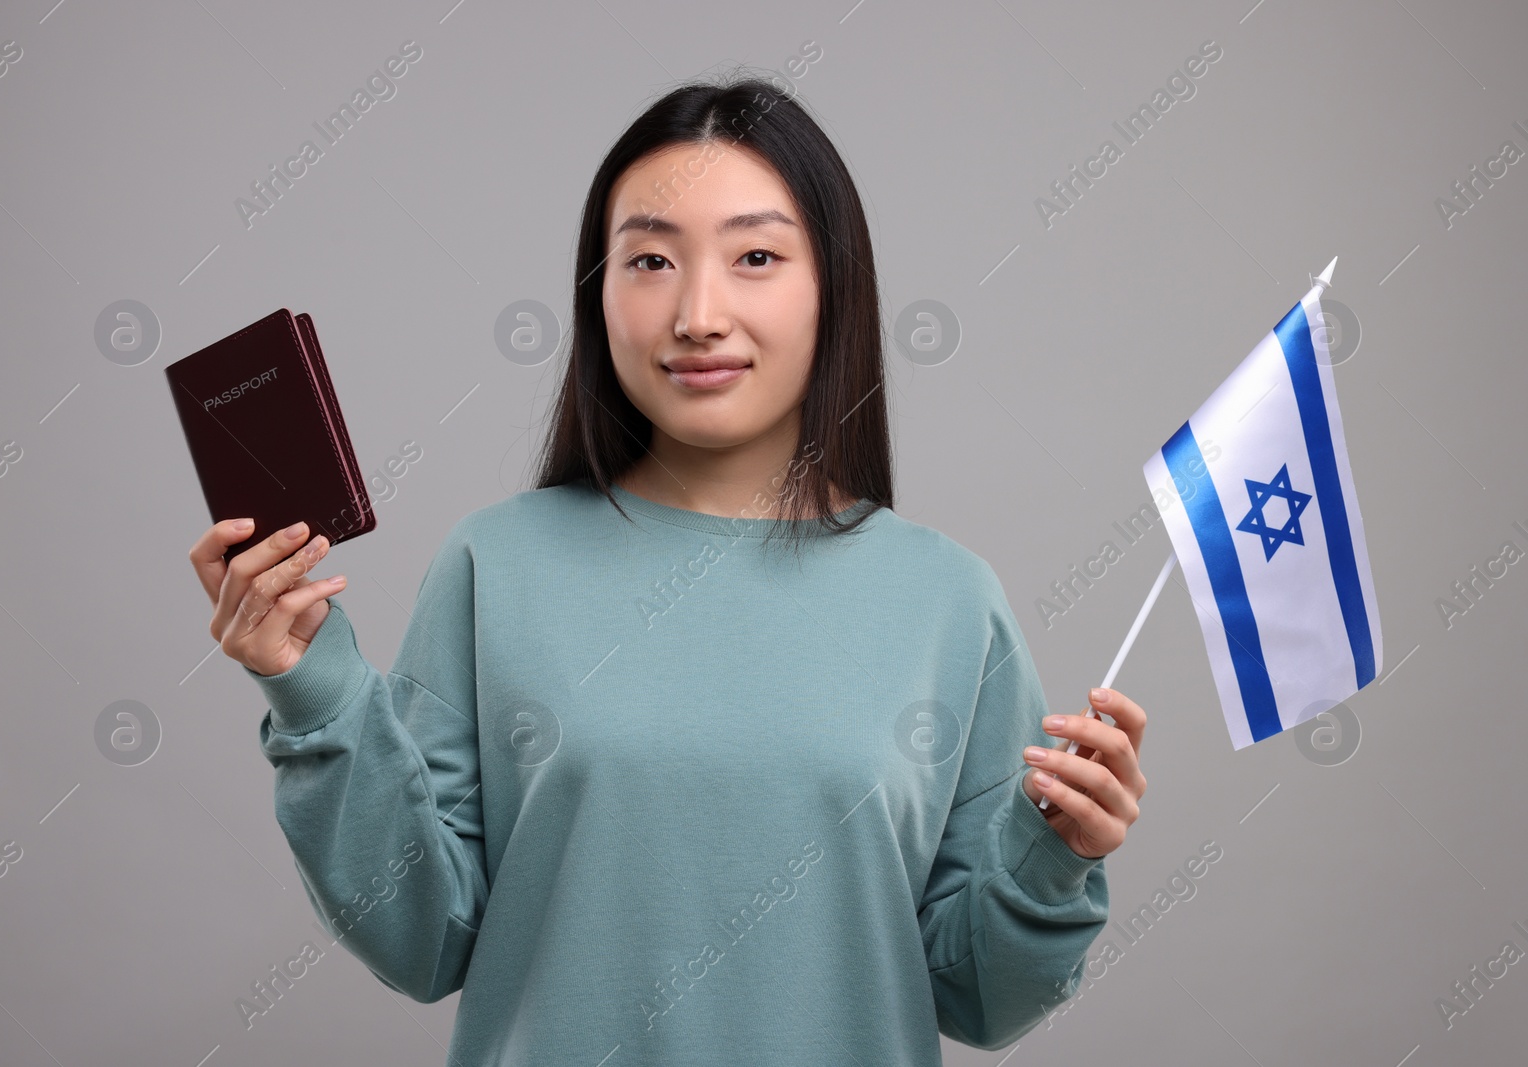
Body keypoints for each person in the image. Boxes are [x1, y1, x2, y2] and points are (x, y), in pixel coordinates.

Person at [189, 74, 1146, 1065]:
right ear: (597, 292)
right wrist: (316, 691)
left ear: (835, 289)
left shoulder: (949, 599)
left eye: (756, 256)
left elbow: (980, 997)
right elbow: (421, 938)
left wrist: (1055, 852)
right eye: (649, 258)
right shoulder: (493, 564)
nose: (696, 312)